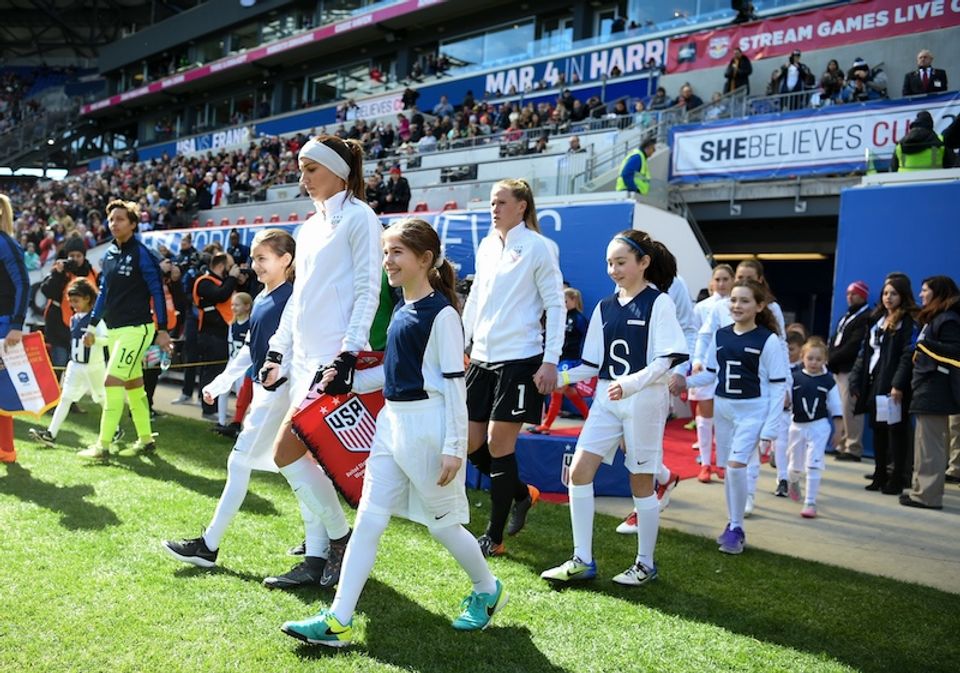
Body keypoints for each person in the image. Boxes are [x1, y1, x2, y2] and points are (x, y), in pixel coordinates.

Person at [281, 219, 507, 647]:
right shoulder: (404, 308)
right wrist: (348, 383)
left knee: (443, 528)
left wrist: (454, 448)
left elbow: (455, 384)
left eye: (397, 253)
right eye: (385, 253)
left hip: (429, 427)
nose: (388, 261)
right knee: (367, 520)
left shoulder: (441, 313)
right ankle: (338, 619)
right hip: (392, 425)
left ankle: (487, 590)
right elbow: (393, 373)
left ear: (425, 260)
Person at [259, 134, 382, 590]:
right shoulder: (310, 227)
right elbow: (299, 299)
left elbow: (369, 289)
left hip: (332, 361)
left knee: (285, 452)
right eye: (301, 168)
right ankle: (317, 559)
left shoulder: (361, 218)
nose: (302, 177)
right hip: (306, 359)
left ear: (338, 171)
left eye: (311, 169)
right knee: (302, 460)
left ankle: (339, 537)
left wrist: (347, 355)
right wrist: (277, 350)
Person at [539, 230, 687, 586]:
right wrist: (556, 379)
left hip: (645, 400)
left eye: (621, 262)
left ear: (644, 262)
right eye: (609, 262)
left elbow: (667, 358)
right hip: (608, 398)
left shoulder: (659, 303)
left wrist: (633, 383)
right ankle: (581, 559)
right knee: (579, 471)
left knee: (640, 482)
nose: (613, 269)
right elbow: (592, 364)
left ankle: (645, 564)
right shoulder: (605, 306)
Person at [161, 229, 296, 567]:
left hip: (278, 396)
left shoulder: (293, 299)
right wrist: (222, 382)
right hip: (271, 396)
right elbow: (250, 350)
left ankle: (208, 546)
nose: (255, 265)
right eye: (254, 258)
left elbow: (299, 349)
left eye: (262, 259)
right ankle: (327, 541)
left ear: (286, 260)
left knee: (242, 464)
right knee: (299, 471)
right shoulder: (263, 296)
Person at [462, 178, 564, 557]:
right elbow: (473, 300)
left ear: (522, 206)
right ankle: (523, 493)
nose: (494, 208)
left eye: (501, 202)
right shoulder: (488, 245)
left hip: (520, 359)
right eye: (491, 202)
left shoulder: (538, 247)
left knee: (498, 444)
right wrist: (462, 343)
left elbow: (555, 305)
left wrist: (550, 360)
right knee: (472, 444)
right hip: (482, 358)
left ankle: (494, 536)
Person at [684, 279, 787, 554]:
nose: (737, 305)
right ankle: (733, 524)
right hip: (723, 409)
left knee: (735, 466)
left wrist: (771, 429)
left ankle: (737, 526)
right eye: (733, 300)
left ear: (759, 306)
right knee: (730, 472)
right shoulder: (721, 335)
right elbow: (709, 373)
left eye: (744, 301)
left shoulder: (769, 340)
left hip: (753, 410)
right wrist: (684, 382)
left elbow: (778, 386)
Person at [78, 200, 171, 462]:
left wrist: (162, 329)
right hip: (116, 330)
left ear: (132, 224)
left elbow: (157, 292)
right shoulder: (108, 255)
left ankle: (103, 446)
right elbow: (103, 293)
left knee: (111, 382)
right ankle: (146, 440)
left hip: (137, 329)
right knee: (134, 387)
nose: (114, 223)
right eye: (111, 219)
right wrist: (92, 326)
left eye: (120, 219)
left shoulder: (142, 253)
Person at [850, 275, 918, 495]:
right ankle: (879, 474)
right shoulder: (876, 318)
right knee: (878, 430)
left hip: (893, 384)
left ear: (903, 295)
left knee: (895, 432)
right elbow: (865, 352)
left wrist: (897, 385)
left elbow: (907, 356)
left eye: (894, 293)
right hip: (873, 381)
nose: (888, 297)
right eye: (886, 293)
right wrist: (856, 380)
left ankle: (897, 478)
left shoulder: (908, 321)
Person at [901, 276, 960, 509]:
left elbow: (955, 353)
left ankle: (928, 496)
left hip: (936, 390)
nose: (921, 295)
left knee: (931, 445)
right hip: (927, 389)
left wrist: (923, 346)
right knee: (925, 443)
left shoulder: (949, 319)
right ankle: (920, 490)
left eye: (925, 290)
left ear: (937, 293)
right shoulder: (936, 317)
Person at [28, 279, 107, 447]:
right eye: (71, 301)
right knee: (64, 398)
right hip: (76, 364)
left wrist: (96, 340)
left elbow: (107, 340)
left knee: (101, 397)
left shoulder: (96, 320)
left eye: (76, 301)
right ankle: (51, 433)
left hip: (93, 366)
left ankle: (113, 430)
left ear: (87, 298)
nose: (73, 305)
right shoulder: (73, 319)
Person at [785, 338, 842, 518]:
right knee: (795, 466)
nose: (814, 363)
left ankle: (810, 501)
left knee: (814, 463)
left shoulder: (828, 381)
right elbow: (784, 402)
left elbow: (836, 407)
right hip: (797, 426)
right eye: (810, 358)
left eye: (818, 359)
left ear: (825, 360)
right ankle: (793, 480)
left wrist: (839, 431)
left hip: (819, 426)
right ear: (802, 358)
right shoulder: (794, 378)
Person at [689, 264, 734, 482]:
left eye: (726, 279)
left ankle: (722, 463)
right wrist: (695, 361)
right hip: (707, 367)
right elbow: (697, 336)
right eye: (718, 279)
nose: (722, 283)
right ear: (711, 282)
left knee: (725, 417)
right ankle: (705, 464)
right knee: (705, 416)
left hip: (731, 368)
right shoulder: (702, 307)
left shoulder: (739, 306)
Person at [530, 287, 590, 434]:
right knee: (570, 392)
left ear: (574, 300)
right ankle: (590, 419)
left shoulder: (579, 319)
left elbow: (588, 338)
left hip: (570, 360)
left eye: (565, 301)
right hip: (561, 359)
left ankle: (546, 425)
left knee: (557, 389)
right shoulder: (561, 316)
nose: (563, 304)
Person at [193, 252, 242, 421]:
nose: (232, 271)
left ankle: (211, 405)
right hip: (210, 334)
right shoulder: (204, 281)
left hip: (221, 333)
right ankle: (208, 409)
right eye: (229, 267)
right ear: (221, 266)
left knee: (217, 370)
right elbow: (221, 295)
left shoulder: (222, 281)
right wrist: (232, 279)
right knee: (211, 371)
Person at [0, 193, 29, 464]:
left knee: (3, 389)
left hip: (4, 325)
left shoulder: (5, 244)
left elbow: (23, 283)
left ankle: (6, 449)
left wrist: (17, 324)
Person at [40, 236, 98, 371]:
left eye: (79, 255)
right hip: (59, 328)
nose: (75, 259)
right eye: (72, 255)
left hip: (83, 328)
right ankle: (56, 393)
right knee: (59, 365)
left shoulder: (93, 273)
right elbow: (47, 291)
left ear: (84, 256)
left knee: (79, 368)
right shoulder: (59, 270)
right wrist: (58, 273)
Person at [829, 280, 872, 462]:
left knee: (851, 407)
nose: (849, 297)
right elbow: (835, 339)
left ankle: (854, 447)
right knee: (842, 408)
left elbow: (854, 345)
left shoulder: (865, 317)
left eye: (853, 293)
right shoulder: (847, 316)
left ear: (862, 296)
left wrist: (832, 359)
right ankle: (843, 444)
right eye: (847, 293)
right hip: (839, 368)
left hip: (851, 368)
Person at [214, 292, 252, 429]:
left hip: (245, 366)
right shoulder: (233, 324)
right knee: (222, 390)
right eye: (232, 305)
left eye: (237, 305)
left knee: (242, 395)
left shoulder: (251, 324)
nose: (234, 308)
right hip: (232, 362)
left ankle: (238, 423)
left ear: (247, 306)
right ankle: (221, 422)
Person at [891, 111, 955, 172]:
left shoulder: (901, 143)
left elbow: (893, 168)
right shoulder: (941, 141)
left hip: (904, 181)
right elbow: (950, 164)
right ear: (930, 126)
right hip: (935, 181)